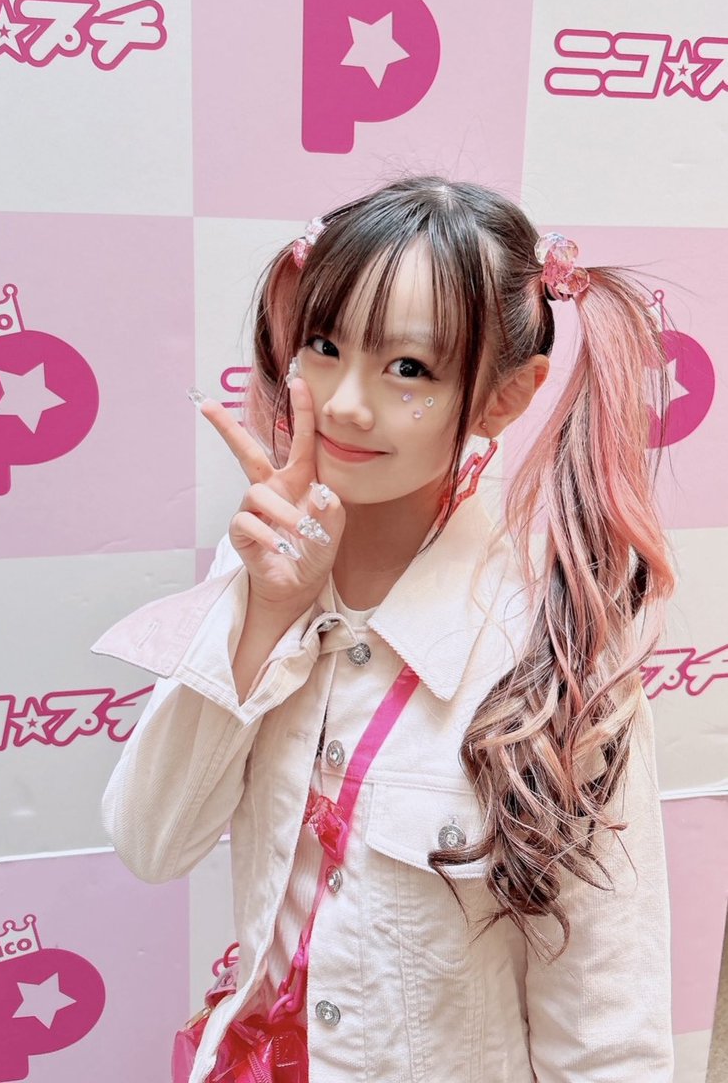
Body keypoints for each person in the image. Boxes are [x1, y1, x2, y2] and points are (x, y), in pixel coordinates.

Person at [95, 176, 675, 1082]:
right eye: (324, 347)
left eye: (408, 368)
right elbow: (151, 842)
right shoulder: (254, 574)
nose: (344, 404)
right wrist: (266, 615)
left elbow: (607, 1033)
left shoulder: (555, 655)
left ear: (503, 397)